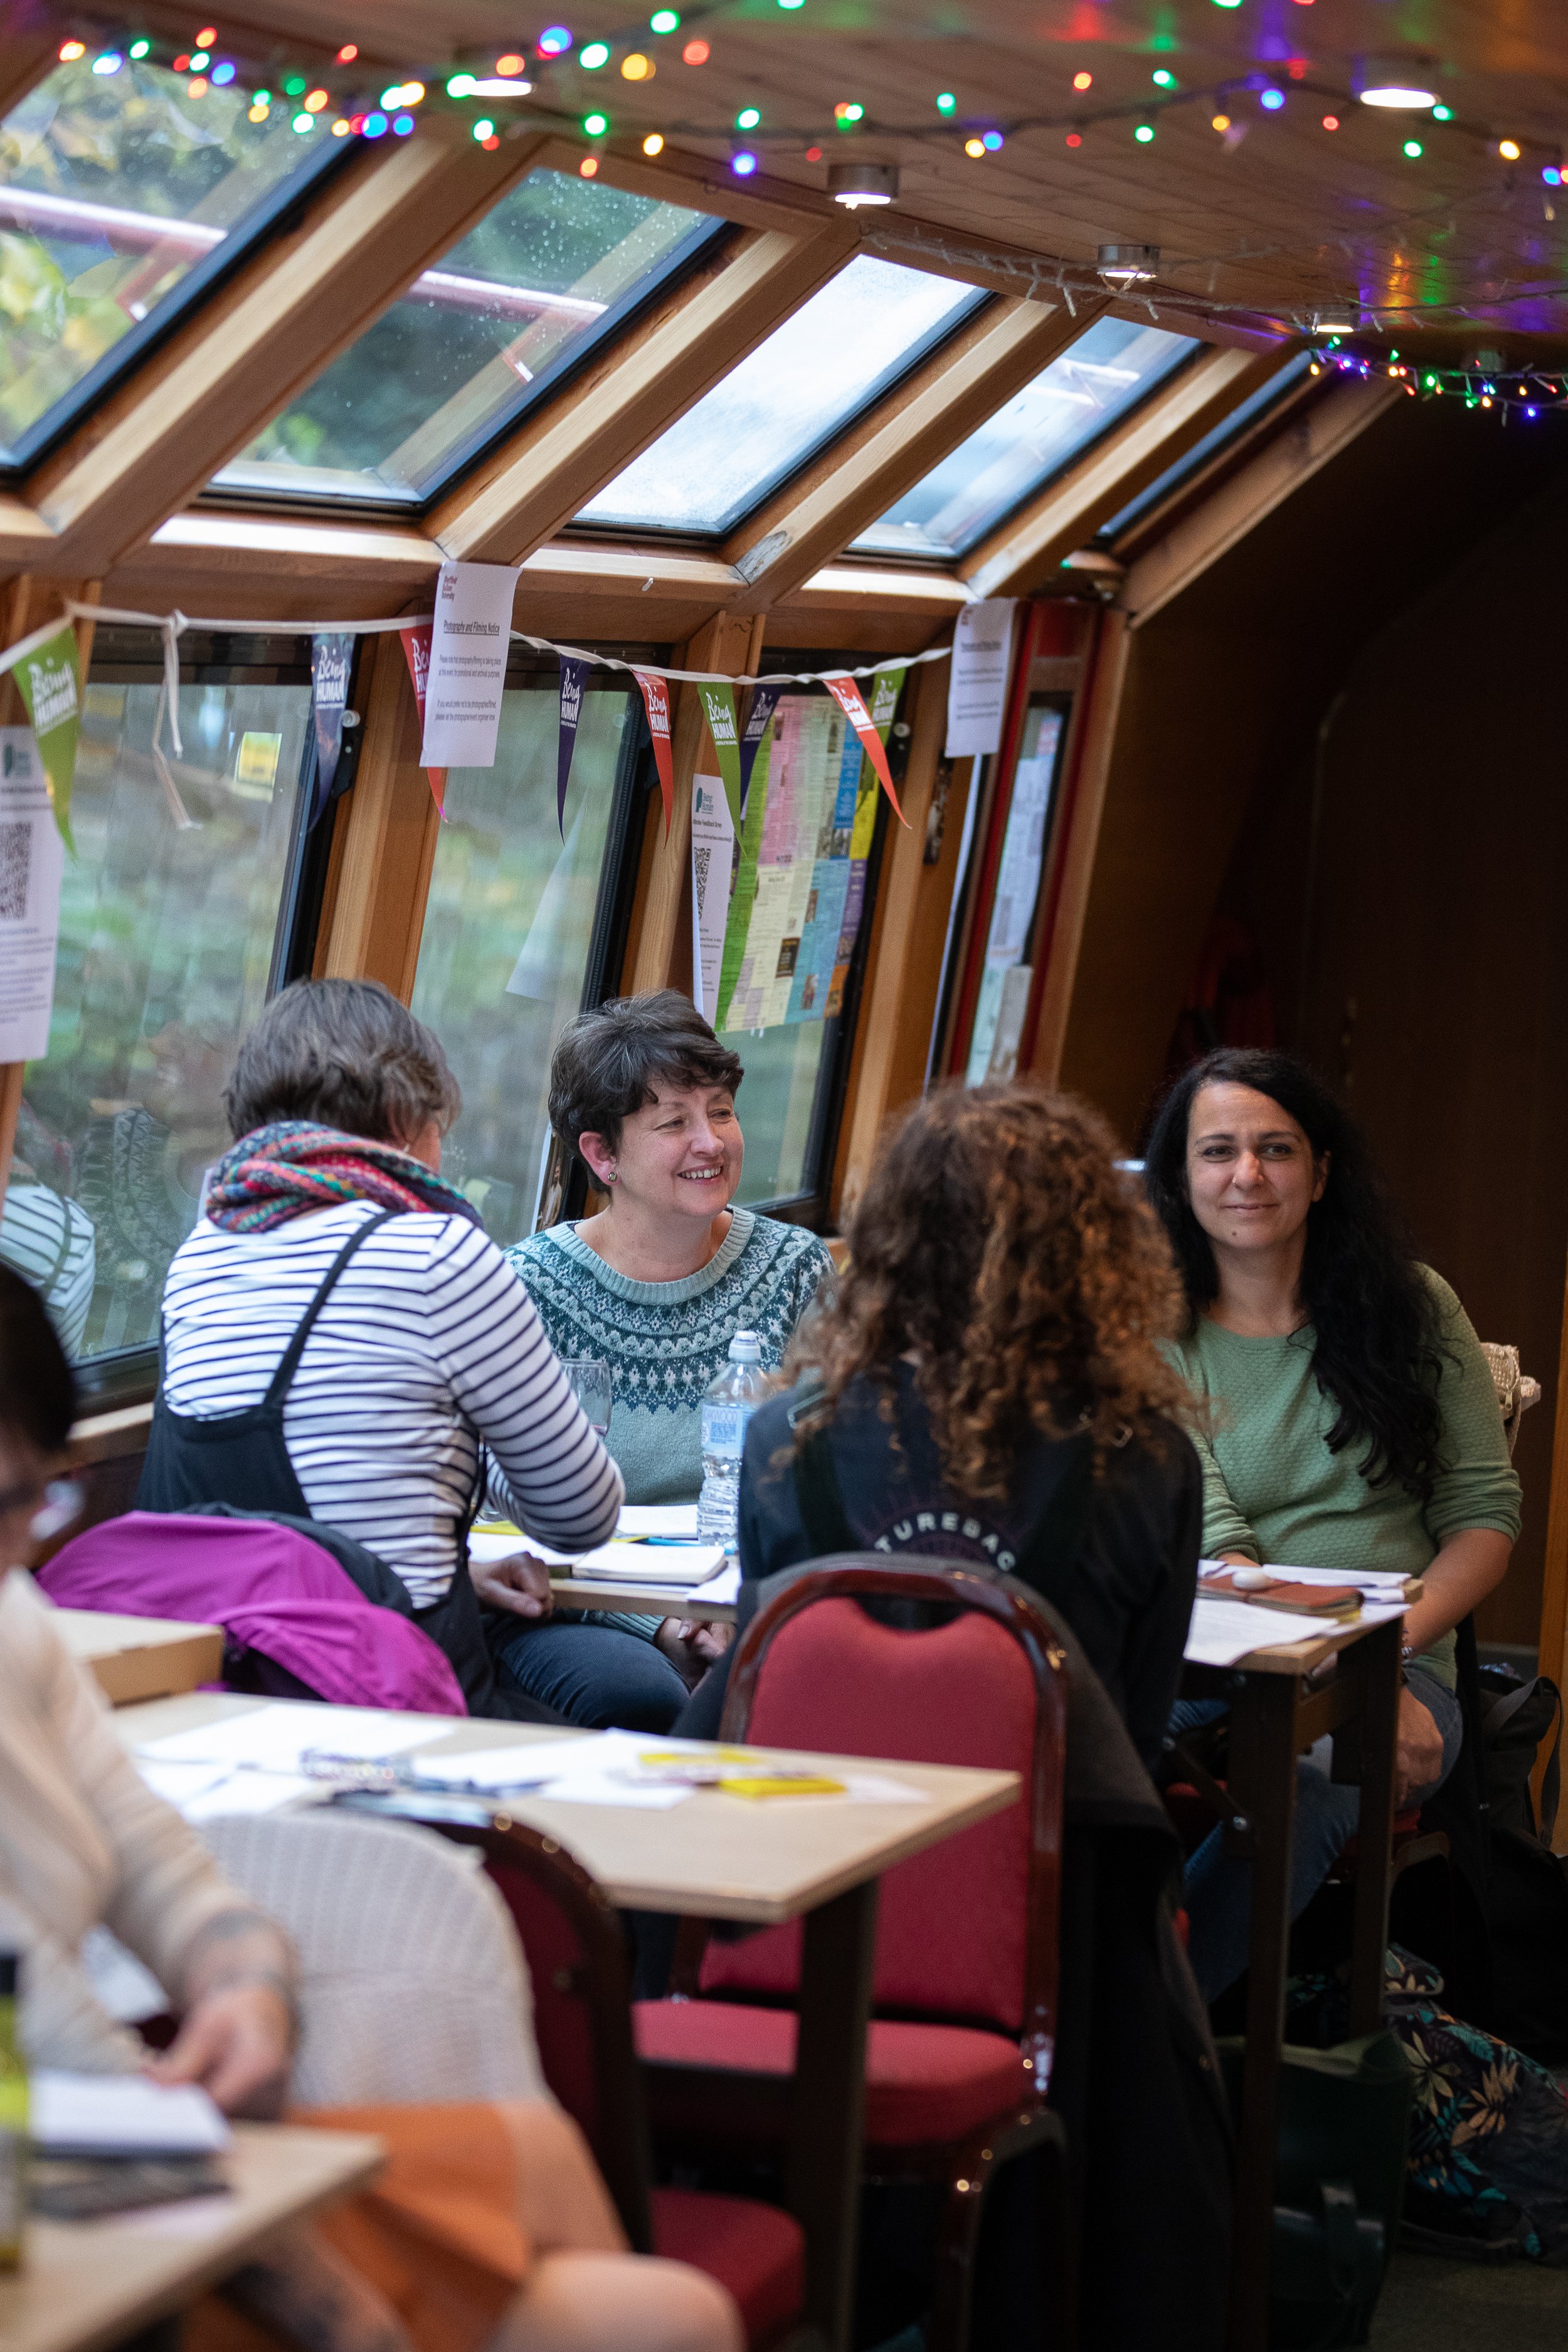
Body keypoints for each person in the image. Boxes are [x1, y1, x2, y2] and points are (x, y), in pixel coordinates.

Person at [0, 1263, 739, 2352]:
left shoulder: (18, 1619)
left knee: (548, 2163)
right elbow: (56, 2041)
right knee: (662, 2316)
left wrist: (246, 1982)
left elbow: (155, 1861)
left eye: (33, 1498)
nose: (22, 1542)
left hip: (91, 2150)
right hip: (63, 2199)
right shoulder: (449, 1267)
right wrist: (335, 2311)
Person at [1143, 1046, 1521, 1999]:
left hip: (1398, 1657)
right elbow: (1211, 1530)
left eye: (1277, 1148)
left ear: (1321, 1172)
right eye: (1218, 1150)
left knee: (1309, 1781)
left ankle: (1152, 2029)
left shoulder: (1415, 1306)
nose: (1248, 1175)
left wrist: (1377, 1651)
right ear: (1180, 1178)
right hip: (1224, 1646)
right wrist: (1288, 1641)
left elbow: (1484, 1521)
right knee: (1056, 1729)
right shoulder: (1150, 1326)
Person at [139, 979, 623, 1720]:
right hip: (386, 1693)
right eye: (439, 1130)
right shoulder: (436, 1253)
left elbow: (306, 1520)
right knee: (621, 1726)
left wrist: (462, 1560)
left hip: (227, 1682)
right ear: (404, 1123)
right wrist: (483, 1438)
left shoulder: (203, 1251)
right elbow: (580, 1516)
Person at [696, 1083, 1202, 1770]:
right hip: (1049, 1854)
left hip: (812, 1840)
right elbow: (1136, 1730)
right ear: (1094, 1253)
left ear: (887, 1240)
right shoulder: (1147, 1457)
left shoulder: (783, 1437)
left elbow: (770, 1676)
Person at [497, 992, 834, 1732]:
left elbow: (827, 1476)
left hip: (753, 1595)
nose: (710, 1141)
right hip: (585, 1608)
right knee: (643, 1701)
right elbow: (504, 1514)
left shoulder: (795, 1270)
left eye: (719, 1112)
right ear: (602, 1155)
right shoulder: (524, 1287)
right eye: (673, 1122)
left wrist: (739, 1613)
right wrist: (663, 1628)